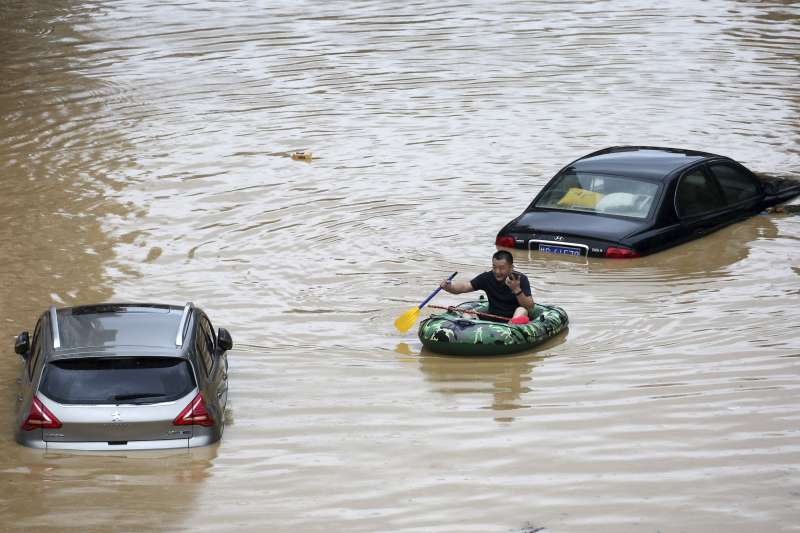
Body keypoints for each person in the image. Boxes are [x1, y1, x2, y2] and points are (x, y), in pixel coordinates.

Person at [439, 250, 533, 323]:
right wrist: (449, 287)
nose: (497, 271)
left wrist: (516, 289)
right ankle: (474, 331)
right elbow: (465, 286)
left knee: (522, 310)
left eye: (502, 268)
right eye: (494, 267)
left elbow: (529, 306)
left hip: (513, 319)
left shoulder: (521, 279)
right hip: (492, 317)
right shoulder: (487, 277)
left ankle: (511, 329)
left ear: (511, 267)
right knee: (467, 313)